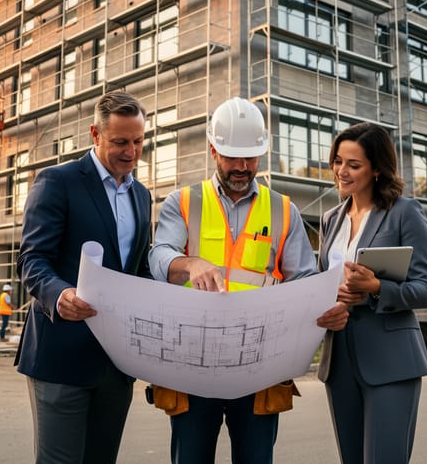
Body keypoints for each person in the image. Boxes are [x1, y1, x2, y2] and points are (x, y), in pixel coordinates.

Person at [148, 97, 349, 464]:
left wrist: (326, 305)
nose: (242, 167)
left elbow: (303, 279)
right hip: (194, 363)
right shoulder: (184, 202)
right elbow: (158, 256)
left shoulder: (283, 209)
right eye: (231, 157)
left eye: (250, 158)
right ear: (213, 150)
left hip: (259, 366)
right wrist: (190, 263)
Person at [14, 91, 152, 463]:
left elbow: (138, 269)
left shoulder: (142, 195)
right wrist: (60, 295)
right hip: (62, 356)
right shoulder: (58, 182)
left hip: (116, 363)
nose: (131, 151)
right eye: (120, 142)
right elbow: (32, 258)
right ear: (95, 134)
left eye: (138, 141)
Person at [315, 122, 427, 464]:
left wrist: (375, 288)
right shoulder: (331, 219)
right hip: (339, 361)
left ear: (378, 168)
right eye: (338, 161)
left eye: (353, 165)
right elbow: (325, 280)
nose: (342, 171)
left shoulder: (404, 213)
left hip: (391, 361)